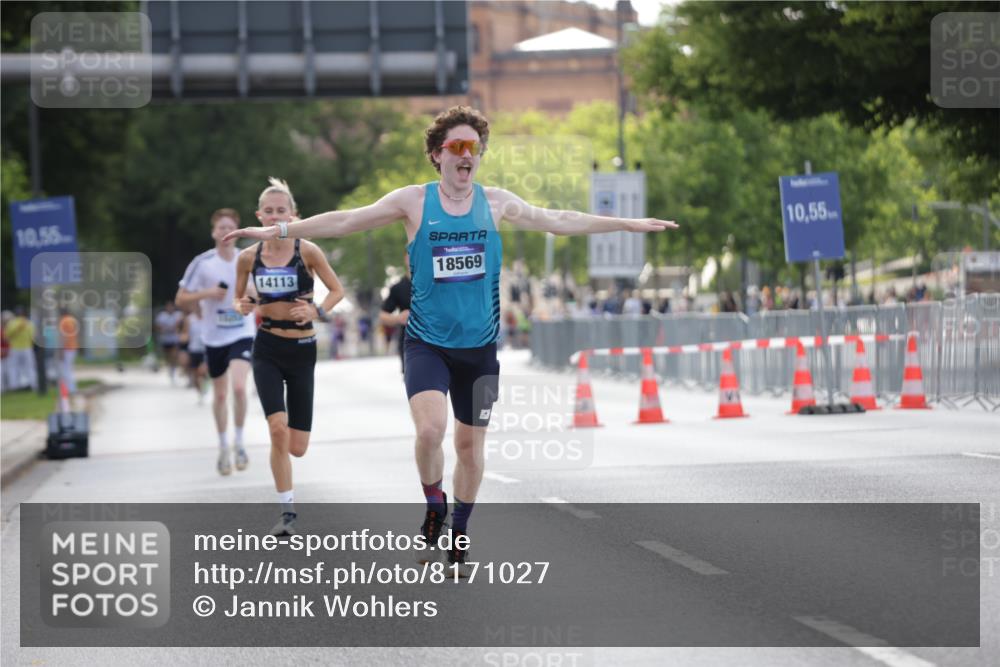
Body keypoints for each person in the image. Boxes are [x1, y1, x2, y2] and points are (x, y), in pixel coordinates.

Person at [224, 105, 678, 575]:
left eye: (474, 148)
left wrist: (626, 224)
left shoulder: (496, 203)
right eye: (457, 147)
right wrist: (280, 229)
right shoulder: (413, 202)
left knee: (469, 448)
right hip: (427, 342)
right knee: (429, 432)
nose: (467, 155)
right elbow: (346, 220)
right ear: (437, 155)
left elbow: (557, 219)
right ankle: (434, 505)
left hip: (479, 349)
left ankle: (459, 533)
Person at [234, 178, 345, 536]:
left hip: (302, 350)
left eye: (281, 210)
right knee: (277, 429)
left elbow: (337, 290)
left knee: (297, 447)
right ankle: (287, 513)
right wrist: (243, 305)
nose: (274, 216)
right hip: (267, 347)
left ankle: (288, 503)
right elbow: (239, 299)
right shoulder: (247, 258)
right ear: (259, 216)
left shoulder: (308, 251)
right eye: (268, 211)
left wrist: (317, 311)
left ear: (294, 215)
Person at [176, 209, 257, 476]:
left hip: (242, 331)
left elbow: (257, 292)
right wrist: (208, 293)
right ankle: (223, 446)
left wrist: (250, 299)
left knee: (239, 388)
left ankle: (240, 443)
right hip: (213, 336)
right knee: (220, 394)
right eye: (221, 227)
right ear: (214, 232)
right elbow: (181, 299)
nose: (225, 232)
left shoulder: (247, 258)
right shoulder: (202, 263)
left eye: (230, 227)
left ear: (237, 232)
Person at [379, 251, 412, 373]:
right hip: (409, 342)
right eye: (410, 254)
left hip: (438, 342)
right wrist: (398, 318)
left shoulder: (435, 283)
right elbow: (383, 315)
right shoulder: (398, 287)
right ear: (405, 258)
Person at [5, 307, 37, 391]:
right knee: (30, 367)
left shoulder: (11, 323)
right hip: (27, 348)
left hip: (14, 348)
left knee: (13, 367)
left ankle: (14, 386)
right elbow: (33, 337)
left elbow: (7, 336)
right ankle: (32, 384)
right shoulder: (29, 323)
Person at [154, 301, 184, 384]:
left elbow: (182, 324)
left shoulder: (178, 315)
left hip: (174, 339)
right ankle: (170, 369)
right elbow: (157, 326)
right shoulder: (162, 316)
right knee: (168, 357)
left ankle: (173, 370)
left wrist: (176, 327)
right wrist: (164, 329)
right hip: (165, 339)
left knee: (174, 355)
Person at [182, 308, 208, 403]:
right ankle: (200, 393)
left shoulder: (209, 316)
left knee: (202, 371)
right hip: (193, 349)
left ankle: (205, 385)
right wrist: (184, 339)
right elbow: (185, 334)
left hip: (206, 350)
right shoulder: (190, 319)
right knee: (195, 375)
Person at [57, 308, 79, 395]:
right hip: (73, 346)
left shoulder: (63, 321)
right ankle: (71, 388)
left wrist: (61, 350)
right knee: (69, 368)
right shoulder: (72, 320)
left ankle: (71, 389)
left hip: (67, 348)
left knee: (66, 369)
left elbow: (63, 337)